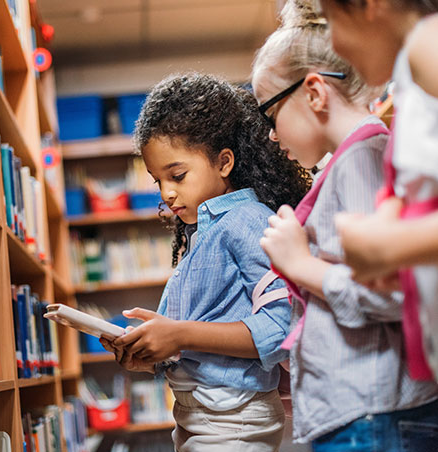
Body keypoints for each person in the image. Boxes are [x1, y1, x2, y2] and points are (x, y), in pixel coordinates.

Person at [252, 1, 438, 450]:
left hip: (373, 414)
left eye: (270, 114)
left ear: (314, 94)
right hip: (365, 412)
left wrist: (300, 264)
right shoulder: (355, 159)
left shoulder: (359, 159)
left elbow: (391, 293)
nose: (272, 135)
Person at [101, 72, 310, 451]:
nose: (166, 192)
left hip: (233, 418)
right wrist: (149, 355)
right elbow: (200, 342)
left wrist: (179, 334)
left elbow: (281, 329)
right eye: (156, 180)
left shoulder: (247, 220)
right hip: (199, 414)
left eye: (177, 175)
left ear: (224, 163)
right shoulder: (203, 233)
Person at [319, 0, 438, 382]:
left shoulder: (426, 44)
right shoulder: (410, 74)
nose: (333, 45)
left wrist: (390, 246)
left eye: (330, 20)